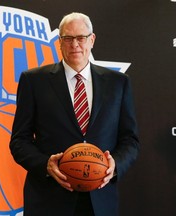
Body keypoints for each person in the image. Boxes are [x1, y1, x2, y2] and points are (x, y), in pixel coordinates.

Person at [9, 12, 139, 216]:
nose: (75, 44)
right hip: (49, 200)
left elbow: (130, 139)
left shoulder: (118, 83)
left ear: (92, 40)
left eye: (81, 38)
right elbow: (19, 141)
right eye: (67, 38)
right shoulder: (33, 81)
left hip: (100, 200)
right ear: (59, 42)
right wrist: (45, 165)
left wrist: (114, 165)